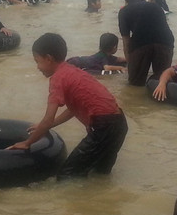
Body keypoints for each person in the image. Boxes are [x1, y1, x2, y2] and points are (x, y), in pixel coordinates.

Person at [9, 32, 128, 178]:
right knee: (99, 174)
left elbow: (48, 119)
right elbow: (73, 109)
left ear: (49, 59)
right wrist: (46, 126)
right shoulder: (71, 70)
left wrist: (27, 143)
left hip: (104, 126)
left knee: (67, 175)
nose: (37, 67)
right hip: (119, 124)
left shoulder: (57, 79)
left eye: (37, 61)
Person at [117, 0, 175, 87]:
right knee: (161, 80)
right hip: (165, 43)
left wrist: (130, 64)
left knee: (135, 84)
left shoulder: (124, 12)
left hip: (141, 44)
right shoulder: (155, 6)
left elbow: (126, 40)